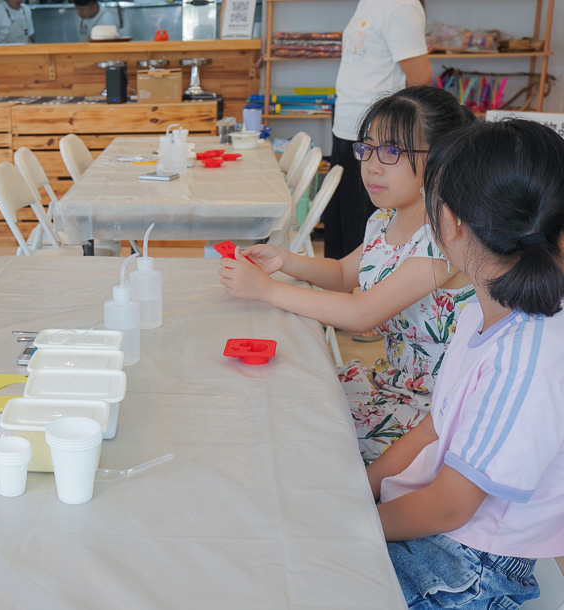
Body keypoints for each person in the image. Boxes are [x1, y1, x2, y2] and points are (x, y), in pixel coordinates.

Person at [218, 86, 475, 463]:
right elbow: (341, 273)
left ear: (440, 158)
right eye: (366, 148)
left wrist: (266, 290)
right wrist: (284, 261)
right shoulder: (385, 219)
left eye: (391, 151)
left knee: (289, 428)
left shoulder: (444, 239)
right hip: (387, 383)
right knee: (278, 394)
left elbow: (362, 313)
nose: (371, 165)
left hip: (428, 414)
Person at [368, 118, 564, 608]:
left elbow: (449, 508)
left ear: (449, 223)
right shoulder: (481, 309)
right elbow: (435, 425)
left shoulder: (527, 358)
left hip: (475, 567)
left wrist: (352, 527)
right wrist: (363, 486)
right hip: (446, 526)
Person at [324, 0, 432, 262]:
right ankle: (338, 296)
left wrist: (390, 134)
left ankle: (368, 299)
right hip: (347, 125)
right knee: (340, 225)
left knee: (361, 230)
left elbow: (420, 76)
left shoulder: (400, 6)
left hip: (374, 133)